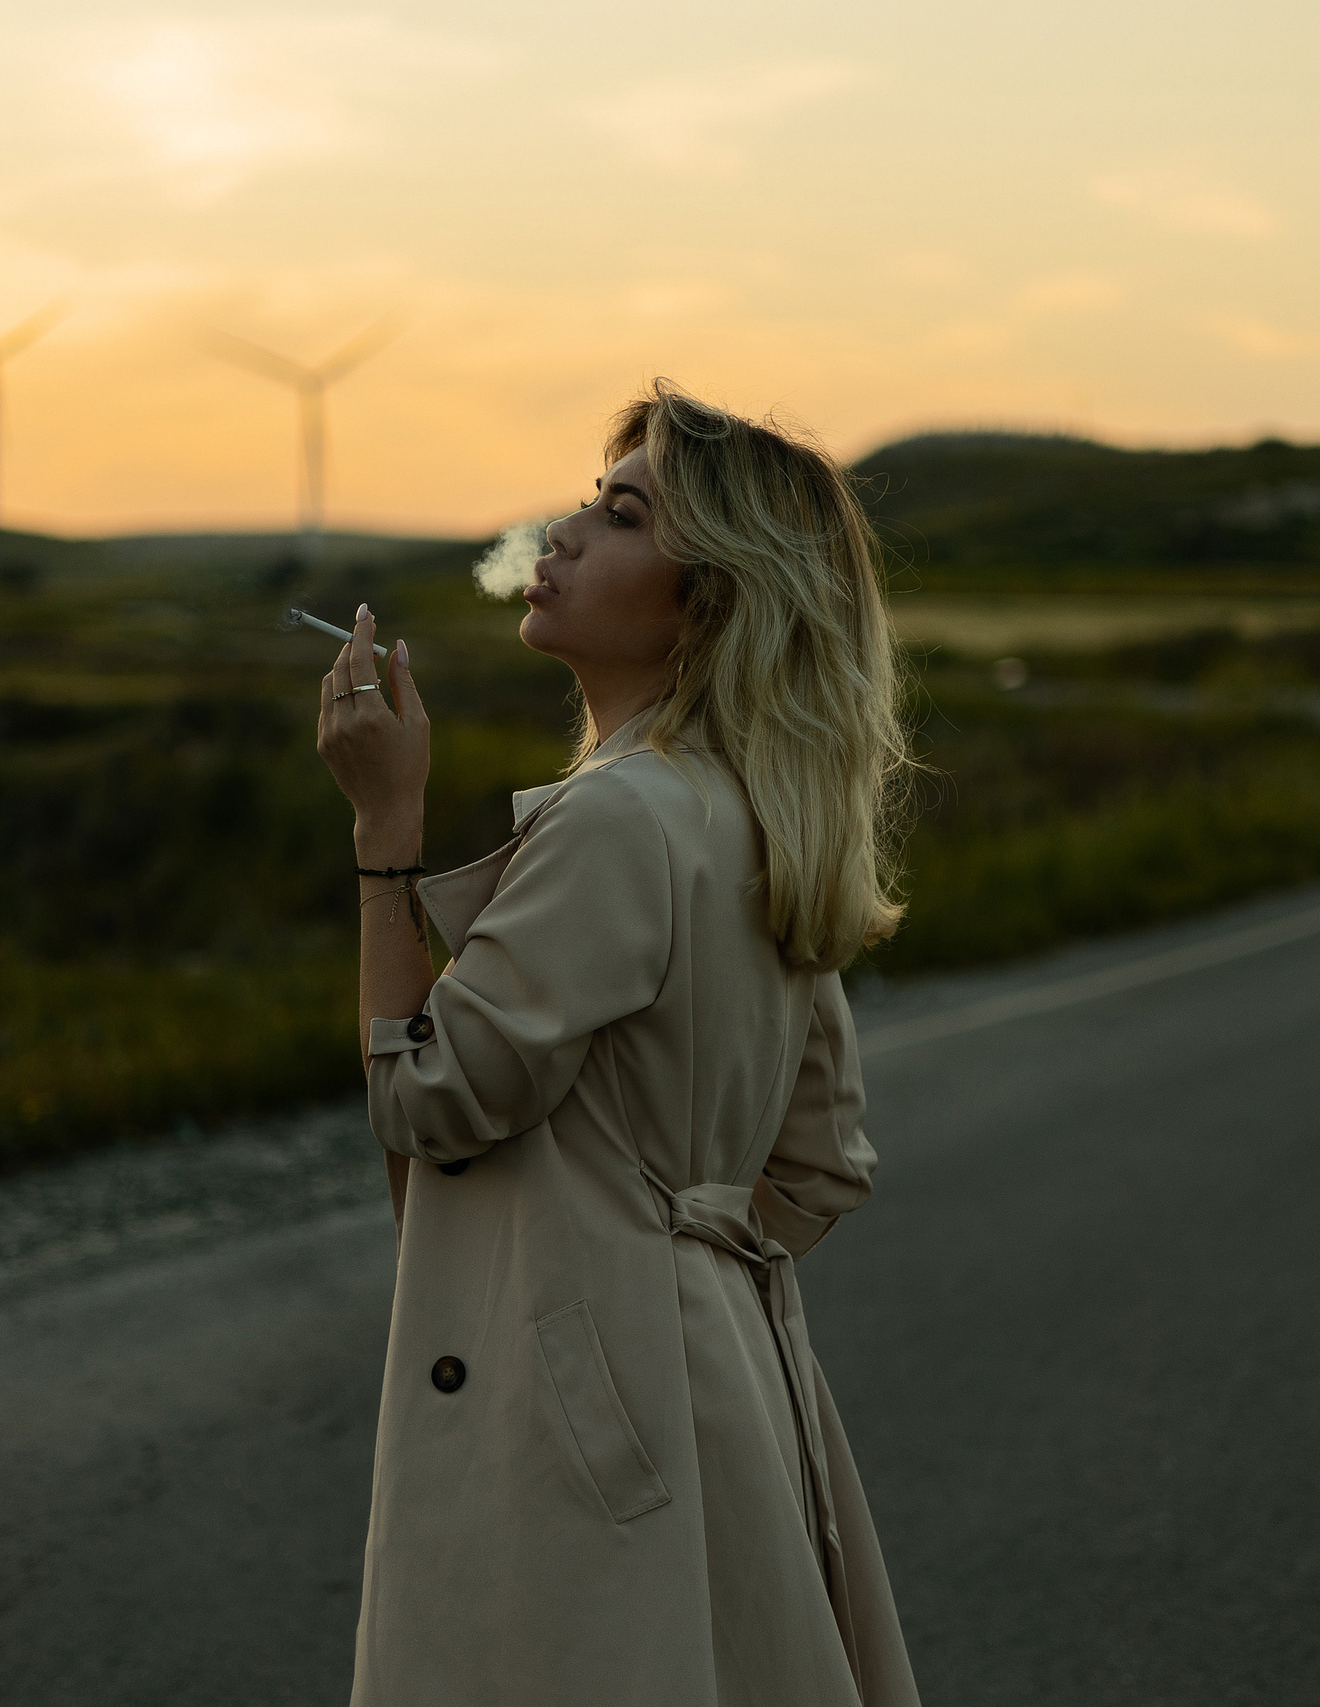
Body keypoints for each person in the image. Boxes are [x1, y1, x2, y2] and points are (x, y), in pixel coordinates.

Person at [315, 379, 921, 1707]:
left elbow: (429, 1100)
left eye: (624, 514)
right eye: (590, 500)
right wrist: (674, 1260)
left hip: (583, 1422)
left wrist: (384, 834)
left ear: (707, 599)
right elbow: (820, 1167)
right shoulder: (756, 817)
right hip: (729, 1394)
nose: (569, 533)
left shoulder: (615, 822)